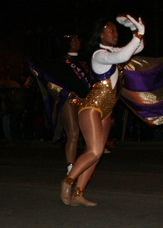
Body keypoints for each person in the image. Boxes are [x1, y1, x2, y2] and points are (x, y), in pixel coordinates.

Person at [60, 16, 145, 206]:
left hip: (106, 110)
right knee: (95, 151)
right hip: (92, 108)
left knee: (96, 156)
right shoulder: (99, 55)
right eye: (112, 31)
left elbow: (137, 48)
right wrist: (138, 33)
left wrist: (134, 31)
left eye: (116, 31)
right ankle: (67, 182)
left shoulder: (111, 51)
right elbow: (124, 56)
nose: (116, 34)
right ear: (101, 33)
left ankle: (78, 194)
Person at [49, 35, 91, 174]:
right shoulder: (61, 63)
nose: (77, 43)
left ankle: (86, 165)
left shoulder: (85, 61)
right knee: (73, 133)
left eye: (78, 40)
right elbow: (53, 84)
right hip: (70, 100)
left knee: (88, 134)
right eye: (73, 40)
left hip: (86, 100)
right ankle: (70, 168)